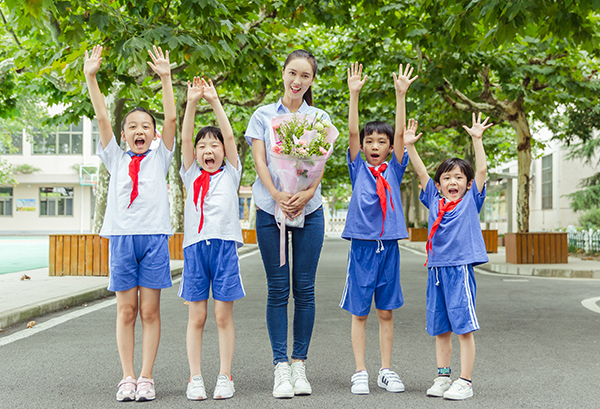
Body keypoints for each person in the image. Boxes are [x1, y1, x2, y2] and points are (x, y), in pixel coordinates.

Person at [84, 45, 176, 402]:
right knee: (126, 310)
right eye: (133, 127)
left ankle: (146, 376)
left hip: (153, 239)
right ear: (124, 135)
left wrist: (166, 78)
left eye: (146, 127)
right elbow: (103, 118)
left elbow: (171, 120)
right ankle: (126, 377)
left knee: (150, 311)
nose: (140, 130)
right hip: (122, 240)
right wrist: (91, 77)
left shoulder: (161, 158)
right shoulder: (116, 158)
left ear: (153, 134)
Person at [245, 49, 331, 399]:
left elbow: (320, 164)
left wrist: (306, 194)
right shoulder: (262, 115)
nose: (297, 81)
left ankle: (300, 365)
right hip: (270, 210)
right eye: (292, 73)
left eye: (305, 76)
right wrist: (278, 195)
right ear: (283, 73)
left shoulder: (319, 117)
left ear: (312, 81)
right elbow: (261, 162)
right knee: (278, 288)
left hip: (310, 211)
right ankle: (280, 366)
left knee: (305, 289)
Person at [403, 113, 493, 400]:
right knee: (440, 327)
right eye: (446, 177)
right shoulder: (433, 199)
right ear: (439, 184)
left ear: (467, 185)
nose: (452, 181)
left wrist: (477, 140)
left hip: (459, 270)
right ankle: (443, 376)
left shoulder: (470, 201)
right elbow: (420, 173)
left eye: (458, 177)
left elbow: (481, 171)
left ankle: (465, 381)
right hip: (436, 271)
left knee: (463, 328)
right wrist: (410, 147)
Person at [339, 63, 416, 395]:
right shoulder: (358, 169)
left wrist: (401, 95)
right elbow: (352, 134)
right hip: (362, 247)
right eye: (370, 140)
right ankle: (360, 370)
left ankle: (385, 369)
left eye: (380, 141)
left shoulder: (395, 170)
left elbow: (401, 136)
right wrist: (353, 94)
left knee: (385, 312)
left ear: (388, 147)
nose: (374, 145)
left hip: (390, 248)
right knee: (360, 312)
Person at [178, 76, 245, 401]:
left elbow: (229, 134)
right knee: (197, 316)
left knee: (222, 316)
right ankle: (195, 377)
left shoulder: (231, 172)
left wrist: (215, 101)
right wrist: (191, 103)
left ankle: (224, 375)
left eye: (213, 145)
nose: (208, 150)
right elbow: (186, 138)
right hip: (195, 249)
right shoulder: (191, 173)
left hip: (224, 248)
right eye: (203, 146)